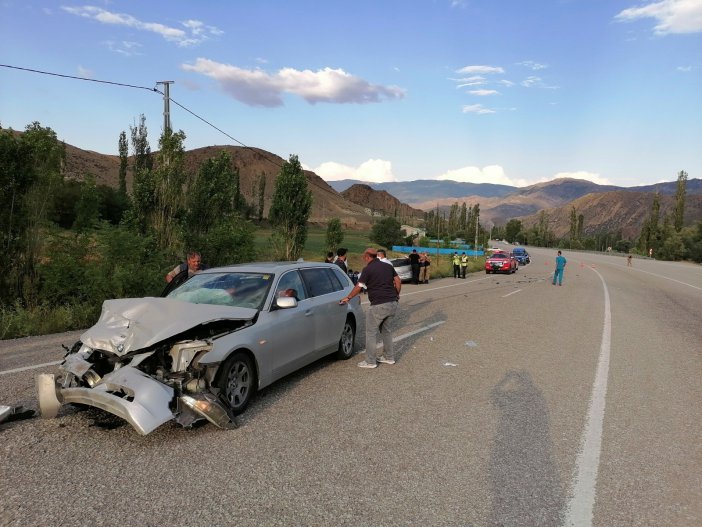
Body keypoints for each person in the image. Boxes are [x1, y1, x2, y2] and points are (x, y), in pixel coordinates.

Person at [340, 248, 401, 369]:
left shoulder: (368, 269)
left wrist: (348, 297)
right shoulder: (388, 266)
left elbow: (359, 286)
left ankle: (370, 361)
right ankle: (389, 357)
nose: (364, 260)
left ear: (368, 257)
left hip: (378, 304)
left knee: (371, 332)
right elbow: (398, 280)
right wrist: (396, 295)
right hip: (392, 302)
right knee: (386, 331)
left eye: (364, 257)